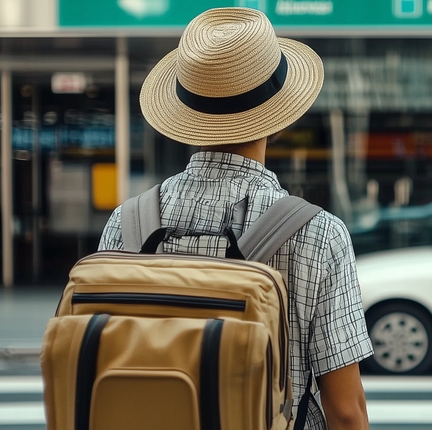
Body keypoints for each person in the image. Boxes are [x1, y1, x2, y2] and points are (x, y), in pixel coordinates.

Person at [97, 7, 372, 430]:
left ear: (188, 118)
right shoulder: (318, 234)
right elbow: (346, 412)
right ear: (279, 118)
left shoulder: (127, 224)